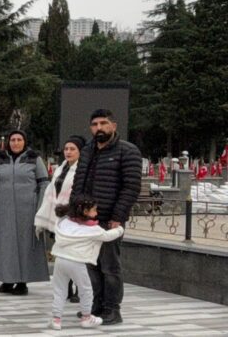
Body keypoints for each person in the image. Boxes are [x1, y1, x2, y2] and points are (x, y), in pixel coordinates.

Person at [71, 109, 142, 326]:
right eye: (95, 124)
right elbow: (78, 183)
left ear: (114, 126)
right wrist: (74, 213)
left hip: (109, 220)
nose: (99, 128)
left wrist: (118, 216)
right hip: (86, 221)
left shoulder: (127, 151)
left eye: (104, 123)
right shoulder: (87, 150)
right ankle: (96, 305)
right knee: (90, 265)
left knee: (109, 267)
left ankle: (113, 309)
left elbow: (131, 187)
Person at [47, 196, 124, 330]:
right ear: (85, 212)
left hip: (60, 260)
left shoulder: (63, 222)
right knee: (86, 290)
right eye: (94, 210)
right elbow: (107, 236)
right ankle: (86, 317)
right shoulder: (93, 230)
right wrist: (120, 229)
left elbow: (63, 218)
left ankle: (56, 319)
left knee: (60, 290)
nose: (96, 213)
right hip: (77, 263)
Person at [0, 130, 51, 294]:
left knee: (25, 246)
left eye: (19, 139)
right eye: (13, 140)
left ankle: (23, 282)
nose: (16, 143)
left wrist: (40, 208)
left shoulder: (34, 159)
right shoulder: (0, 159)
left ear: (25, 141)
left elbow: (44, 184)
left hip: (28, 210)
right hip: (4, 210)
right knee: (6, 246)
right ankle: (8, 279)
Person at [35, 135, 87, 304]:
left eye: (73, 149)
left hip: (76, 219)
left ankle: (80, 289)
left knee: (77, 256)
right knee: (63, 256)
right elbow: (51, 192)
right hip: (60, 219)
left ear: (80, 151)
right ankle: (67, 289)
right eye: (66, 149)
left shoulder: (83, 169)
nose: (68, 152)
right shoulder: (61, 168)